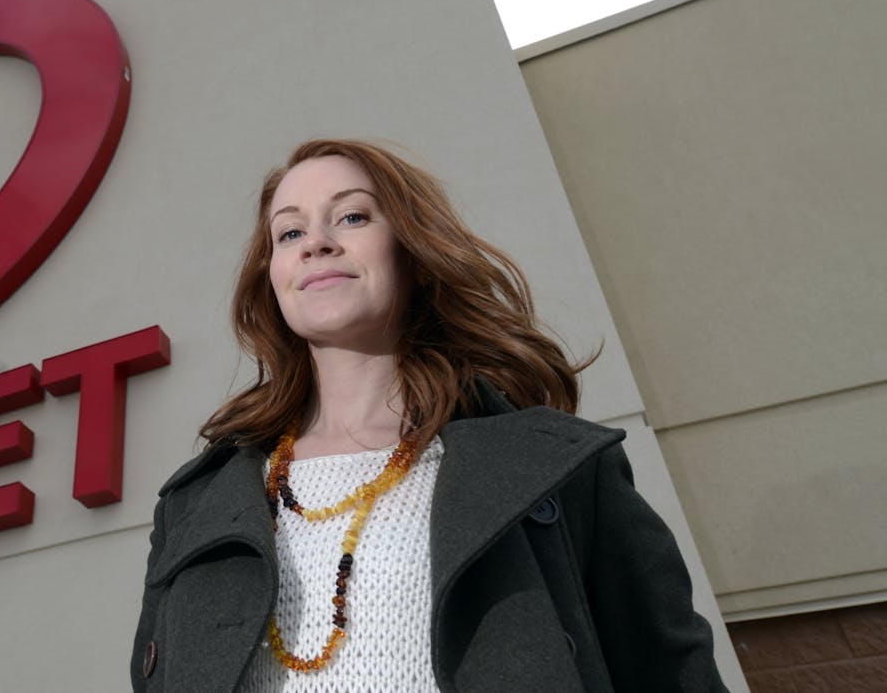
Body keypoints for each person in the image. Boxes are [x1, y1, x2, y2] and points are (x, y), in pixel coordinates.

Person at [131, 139, 726, 692]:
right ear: (273, 277)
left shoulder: (555, 471)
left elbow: (671, 672)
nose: (316, 243)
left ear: (412, 250)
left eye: (353, 217)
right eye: (288, 233)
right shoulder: (195, 504)